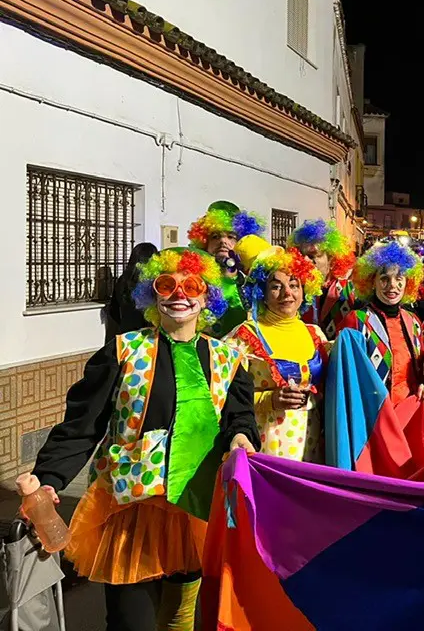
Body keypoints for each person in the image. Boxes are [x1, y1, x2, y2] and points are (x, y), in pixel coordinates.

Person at [31, 247, 259, 631]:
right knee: (129, 623)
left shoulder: (229, 359)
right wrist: (50, 478)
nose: (179, 295)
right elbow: (83, 424)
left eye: (191, 286)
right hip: (129, 510)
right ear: (153, 296)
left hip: (195, 507)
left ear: (207, 297)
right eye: (166, 285)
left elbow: (239, 417)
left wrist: (240, 437)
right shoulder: (124, 350)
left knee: (180, 620)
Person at [228, 235, 327, 462]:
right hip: (267, 448)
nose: (287, 294)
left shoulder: (316, 334)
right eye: (276, 286)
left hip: (313, 450)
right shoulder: (244, 337)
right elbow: (226, 398)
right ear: (261, 292)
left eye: (294, 285)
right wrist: (270, 400)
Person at [340, 241, 424, 400]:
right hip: (375, 414)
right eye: (384, 278)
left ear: (407, 282)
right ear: (372, 282)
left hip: (410, 410)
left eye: (399, 278)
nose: (392, 285)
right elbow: (346, 376)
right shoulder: (357, 320)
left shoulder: (413, 320)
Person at [188, 201, 266, 337]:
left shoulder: (252, 284)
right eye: (215, 237)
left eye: (231, 237)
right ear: (204, 243)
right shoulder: (194, 283)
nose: (223, 242)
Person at [289, 219, 357, 338]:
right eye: (301, 255)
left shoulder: (350, 293)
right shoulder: (292, 291)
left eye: (312, 255)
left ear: (331, 260)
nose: (305, 261)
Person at [104, 242, 158, 340]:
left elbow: (114, 309)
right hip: (148, 336)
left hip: (126, 334)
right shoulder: (153, 282)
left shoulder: (122, 280)